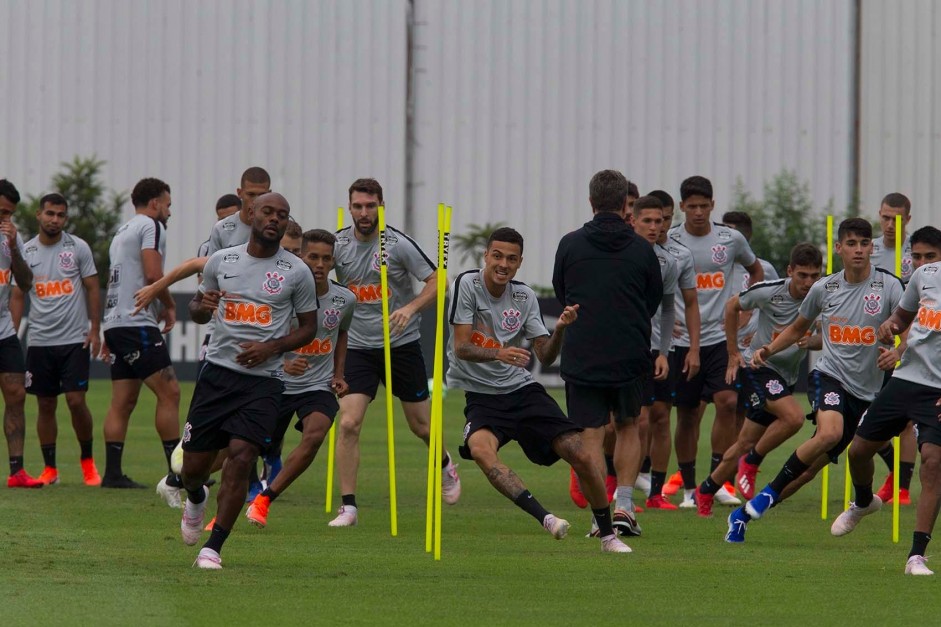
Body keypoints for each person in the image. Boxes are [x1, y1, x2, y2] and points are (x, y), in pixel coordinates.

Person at [451, 227, 630, 552]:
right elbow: (461, 347)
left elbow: (545, 355)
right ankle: (546, 518)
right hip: (481, 397)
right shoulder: (467, 284)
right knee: (480, 450)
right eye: (497, 256)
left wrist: (559, 329)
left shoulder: (524, 296)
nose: (503, 264)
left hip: (523, 393)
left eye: (511, 258)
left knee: (582, 454)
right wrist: (499, 353)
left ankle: (607, 536)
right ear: (486, 256)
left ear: (519, 263)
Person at [726, 218, 904, 543]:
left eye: (865, 244)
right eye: (851, 244)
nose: (859, 250)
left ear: (871, 248)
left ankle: (745, 514)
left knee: (814, 470)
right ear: (839, 248)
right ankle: (758, 503)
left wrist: (897, 347)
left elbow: (907, 328)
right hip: (829, 376)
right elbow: (797, 327)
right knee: (830, 433)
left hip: (869, 391)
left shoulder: (890, 287)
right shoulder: (825, 287)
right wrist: (769, 349)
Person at [180, 192, 319, 569]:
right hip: (217, 376)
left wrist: (271, 347)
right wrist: (200, 306)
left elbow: (309, 328)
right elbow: (196, 309)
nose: (274, 219)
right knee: (191, 469)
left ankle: (213, 547)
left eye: (282, 214)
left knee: (241, 458)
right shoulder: (222, 261)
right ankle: (194, 498)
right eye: (268, 212)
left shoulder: (297, 271)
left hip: (263, 382)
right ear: (252, 214)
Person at [329, 178, 460, 527]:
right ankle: (349, 507)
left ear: (381, 207)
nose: (363, 212)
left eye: (370, 206)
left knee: (420, 426)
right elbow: (309, 274)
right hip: (356, 346)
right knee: (349, 422)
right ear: (350, 206)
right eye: (357, 206)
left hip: (400, 344)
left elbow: (439, 280)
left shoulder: (397, 244)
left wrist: (411, 308)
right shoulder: (338, 244)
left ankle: (446, 464)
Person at [553, 170, 662, 537]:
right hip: (630, 350)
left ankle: (601, 517)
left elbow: (562, 290)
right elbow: (652, 299)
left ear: (591, 202)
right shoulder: (642, 249)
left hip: (583, 351)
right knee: (630, 426)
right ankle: (625, 506)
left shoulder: (569, 244)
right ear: (624, 206)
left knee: (592, 434)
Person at [829, 226, 941, 575]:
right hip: (905, 380)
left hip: (938, 392)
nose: (922, 261)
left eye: (929, 254)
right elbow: (903, 318)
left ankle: (916, 556)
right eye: (919, 255)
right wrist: (889, 327)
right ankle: (863, 502)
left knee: (933, 464)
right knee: (858, 451)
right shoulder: (924, 277)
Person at [693, 243, 822, 516]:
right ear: (790, 271)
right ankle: (752, 463)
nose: (808, 282)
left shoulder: (821, 297)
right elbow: (731, 307)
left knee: (744, 441)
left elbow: (824, 339)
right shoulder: (768, 290)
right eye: (802, 275)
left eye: (814, 275)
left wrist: (809, 342)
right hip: (757, 367)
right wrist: (732, 352)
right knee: (794, 418)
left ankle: (705, 490)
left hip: (786, 376)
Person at [246, 229, 355, 527]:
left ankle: (265, 500)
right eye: (313, 257)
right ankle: (191, 482)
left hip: (316, 387)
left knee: (316, 433)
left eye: (326, 258)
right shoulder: (281, 295)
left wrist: (338, 374)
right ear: (301, 257)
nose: (319, 264)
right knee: (242, 448)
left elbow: (341, 333)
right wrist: (284, 361)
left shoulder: (344, 299)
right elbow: (257, 337)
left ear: (333, 262)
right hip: (274, 383)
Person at [666, 176, 763, 507]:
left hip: (721, 339)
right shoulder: (670, 240)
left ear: (712, 205)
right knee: (688, 413)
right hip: (681, 341)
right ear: (681, 207)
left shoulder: (730, 239)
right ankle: (690, 488)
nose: (697, 212)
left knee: (727, 402)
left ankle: (716, 480)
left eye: (703, 206)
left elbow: (756, 270)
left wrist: (746, 311)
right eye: (691, 206)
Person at [12, 193, 102, 486]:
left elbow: (92, 287)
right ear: (38, 215)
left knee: (76, 401)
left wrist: (94, 328)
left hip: (74, 339)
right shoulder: (25, 251)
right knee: (45, 405)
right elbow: (17, 294)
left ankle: (88, 462)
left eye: (60, 215)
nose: (55, 220)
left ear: (66, 218)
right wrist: (13, 335)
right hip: (39, 341)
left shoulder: (78, 247)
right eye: (50, 213)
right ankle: (50, 469)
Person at [100, 178, 182, 498]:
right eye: (168, 204)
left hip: (116, 322)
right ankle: (179, 473)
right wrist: (170, 306)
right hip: (136, 323)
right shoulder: (151, 225)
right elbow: (153, 274)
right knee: (171, 392)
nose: (169, 212)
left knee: (124, 400)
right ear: (154, 204)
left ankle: (112, 473)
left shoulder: (122, 231)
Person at [639, 189, 701, 508]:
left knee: (662, 416)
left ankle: (655, 493)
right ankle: (620, 482)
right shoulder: (630, 252)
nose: (658, 225)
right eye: (652, 219)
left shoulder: (677, 256)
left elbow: (682, 304)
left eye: (663, 218)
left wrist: (690, 347)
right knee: (637, 419)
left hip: (666, 346)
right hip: (630, 346)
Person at [868, 193, 916, 505]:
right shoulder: (866, 249)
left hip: (911, 340)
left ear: (907, 220)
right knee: (867, 415)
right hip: (870, 343)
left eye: (896, 219)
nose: (889, 224)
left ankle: (902, 487)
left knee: (907, 419)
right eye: (885, 217)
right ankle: (892, 474)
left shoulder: (919, 252)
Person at [0, 179, 39, 488]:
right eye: (1, 212)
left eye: (9, 214)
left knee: (16, 394)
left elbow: (25, 283)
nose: (6, 220)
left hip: (3, 329)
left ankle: (17, 472)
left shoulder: (12, 239)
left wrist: (13, 247)